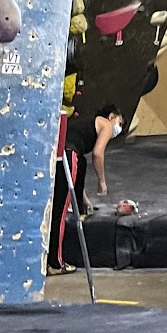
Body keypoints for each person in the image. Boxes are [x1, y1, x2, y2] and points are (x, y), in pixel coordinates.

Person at [47, 103, 122, 275]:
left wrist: (85, 201)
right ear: (112, 116)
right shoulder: (106, 124)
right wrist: (102, 181)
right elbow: (98, 153)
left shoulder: (85, 125)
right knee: (60, 210)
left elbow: (75, 180)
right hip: (67, 155)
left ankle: (81, 207)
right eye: (120, 122)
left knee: (80, 165)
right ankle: (55, 263)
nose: (118, 128)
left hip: (62, 154)